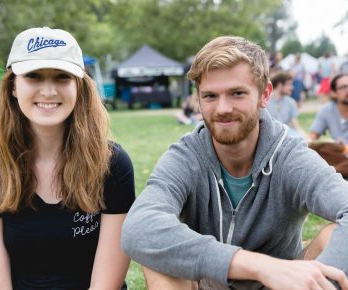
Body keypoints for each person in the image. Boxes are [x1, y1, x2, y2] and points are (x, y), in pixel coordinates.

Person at [121, 36, 348, 290]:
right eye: (209, 96)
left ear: (265, 95)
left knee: (332, 236)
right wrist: (258, 266)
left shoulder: (289, 156)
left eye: (237, 93)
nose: (223, 108)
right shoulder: (186, 156)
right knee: (158, 253)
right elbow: (137, 228)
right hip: (208, 283)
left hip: (284, 285)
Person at [0, 27, 135, 290]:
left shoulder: (112, 164)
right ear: (13, 86)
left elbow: (105, 286)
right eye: (34, 76)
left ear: (79, 87)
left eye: (62, 77)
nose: (48, 91)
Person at [267, 71, 307, 138]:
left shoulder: (291, 102)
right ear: (279, 85)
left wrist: (305, 138)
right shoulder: (265, 102)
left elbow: (296, 126)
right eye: (289, 84)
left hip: (286, 137)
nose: (292, 87)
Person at [310, 73, 348, 143]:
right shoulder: (327, 110)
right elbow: (313, 136)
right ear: (333, 93)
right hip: (339, 152)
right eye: (343, 87)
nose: (347, 90)